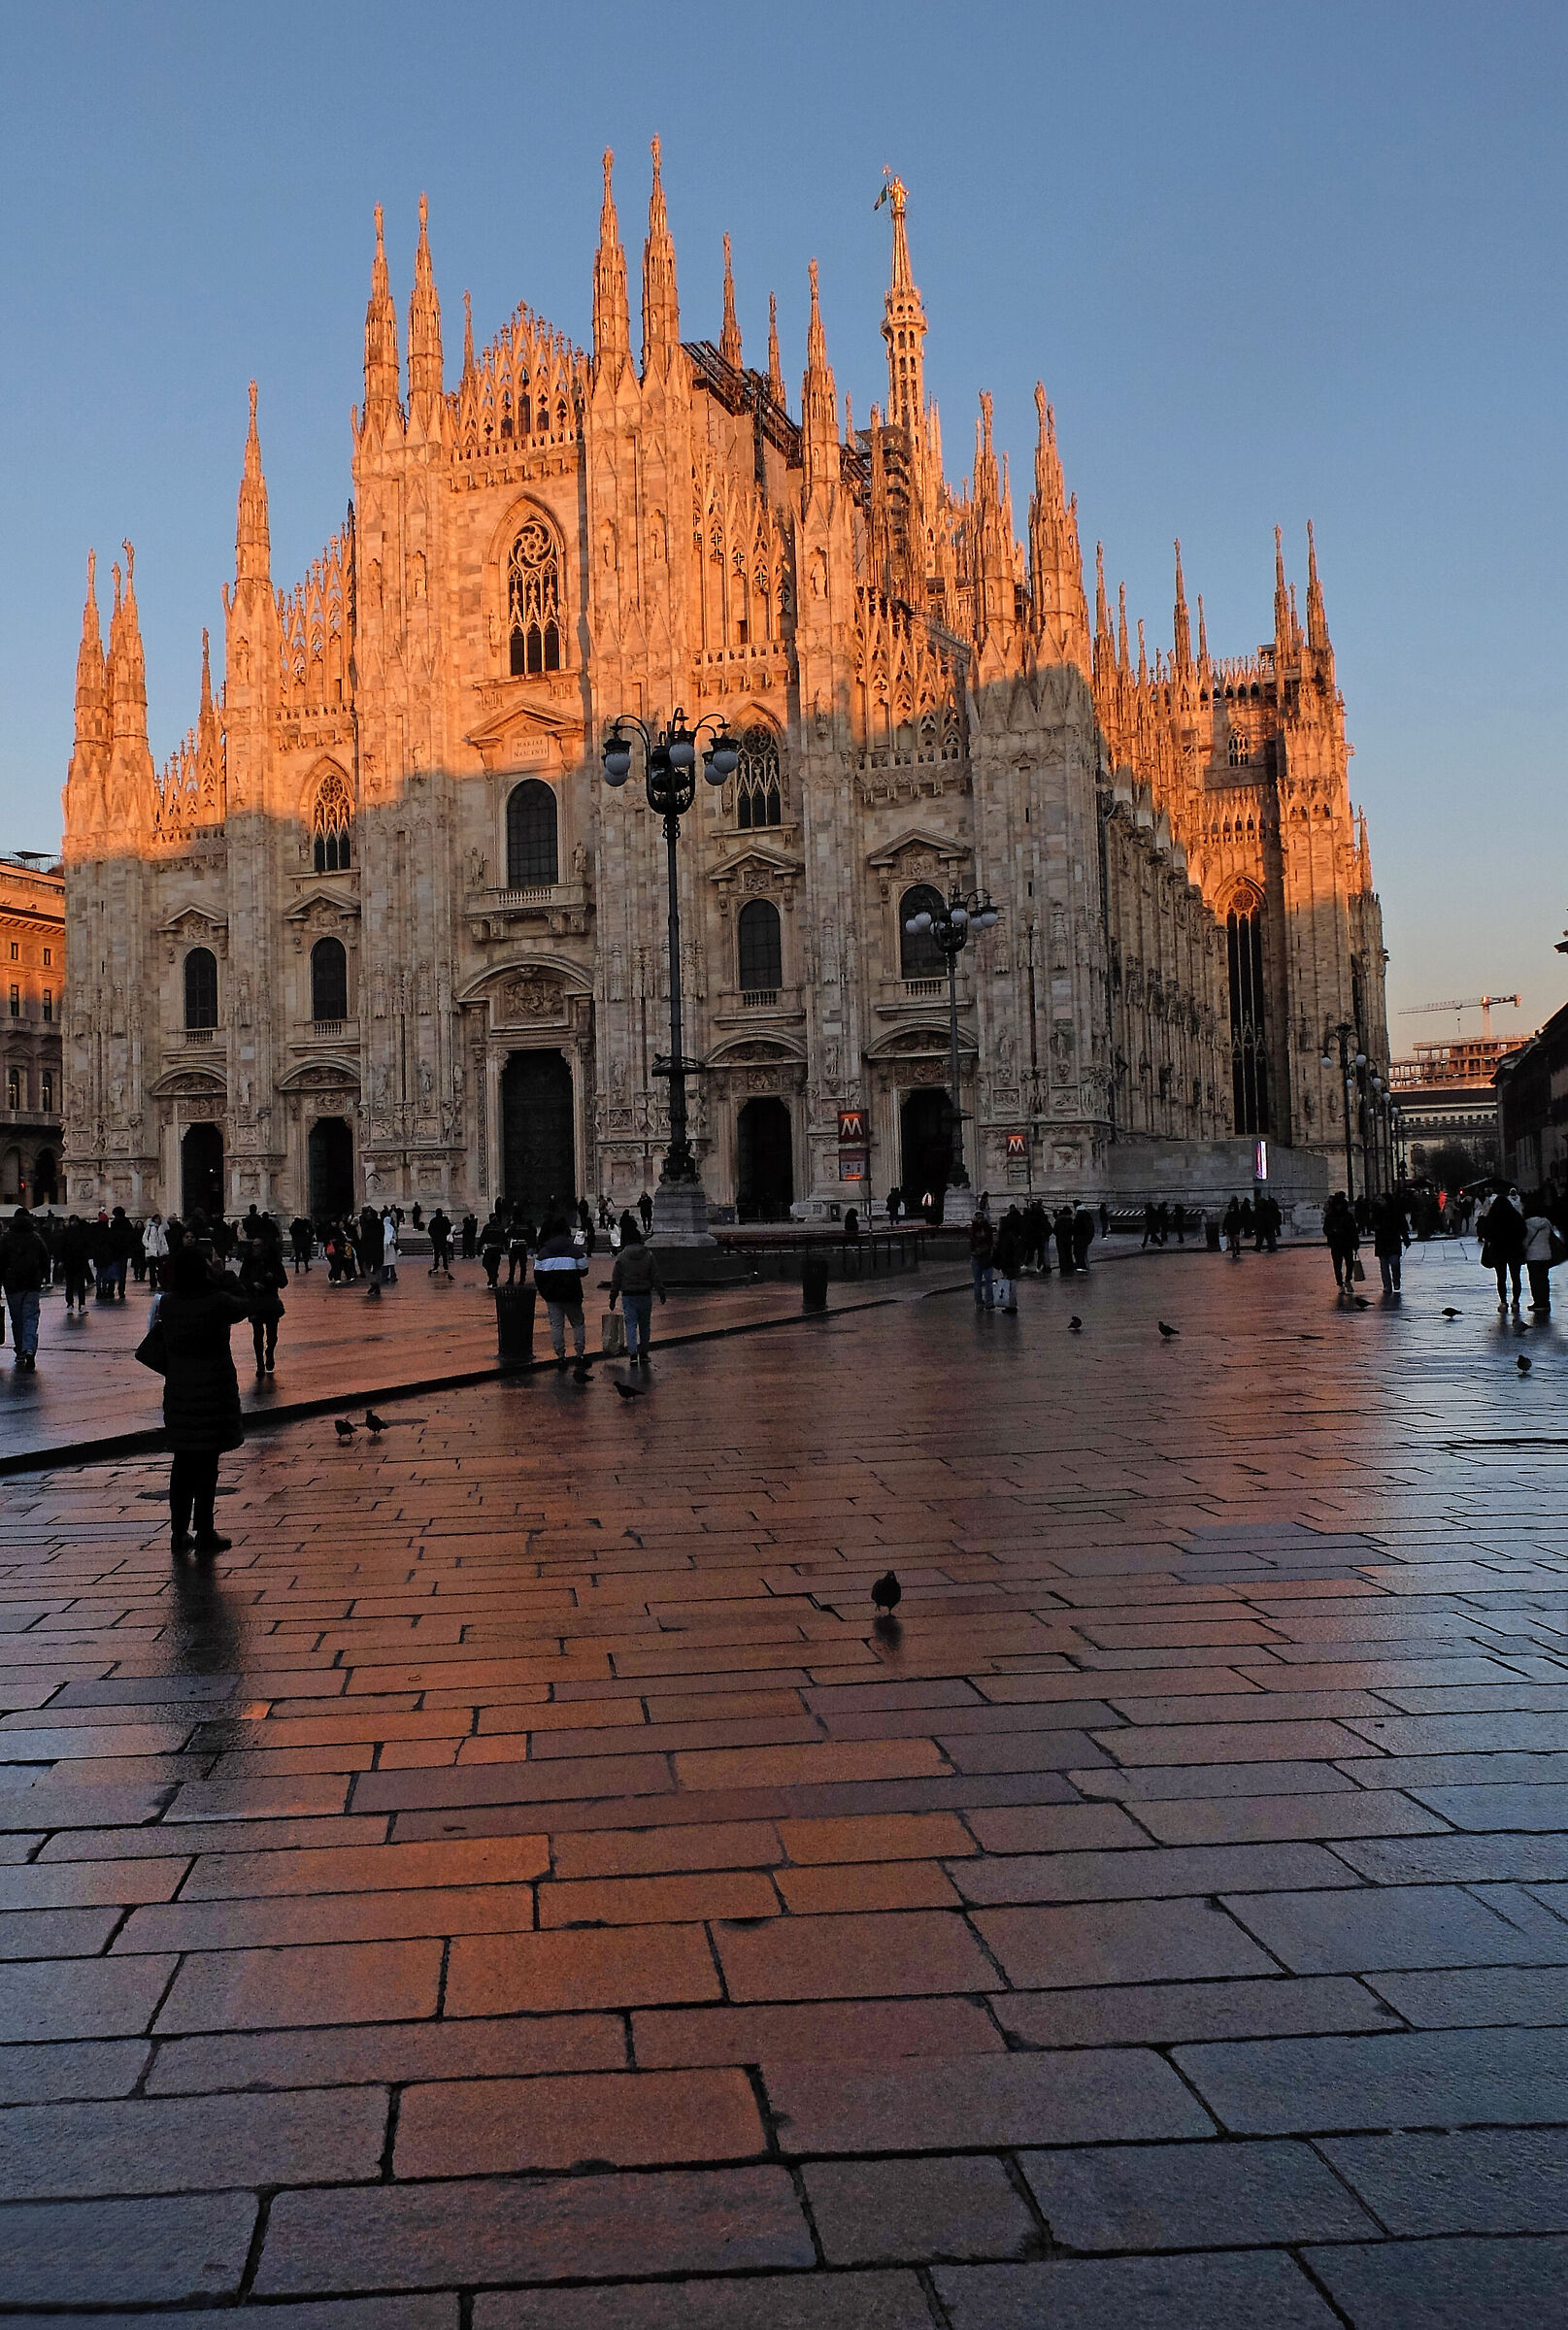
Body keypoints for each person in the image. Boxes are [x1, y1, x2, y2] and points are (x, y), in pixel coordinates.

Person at [151, 1242, 249, 1558]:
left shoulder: (168, 1303)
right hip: (213, 1393)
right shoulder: (217, 1302)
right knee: (208, 1466)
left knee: (182, 1466)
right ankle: (205, 1530)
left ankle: (178, 1533)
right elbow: (244, 1304)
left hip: (179, 1393)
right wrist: (223, 1276)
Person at [534, 1215, 590, 1373]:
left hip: (552, 1296)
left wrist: (545, 1292)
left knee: (556, 1326)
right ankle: (579, 1355)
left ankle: (560, 1357)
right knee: (577, 1323)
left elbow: (538, 1275)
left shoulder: (544, 1252)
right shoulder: (574, 1250)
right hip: (572, 1295)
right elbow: (584, 1270)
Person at [0, 1207, 50, 1373]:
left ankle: (20, 1350)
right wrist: (43, 1277)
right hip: (31, 1284)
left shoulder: (6, 1237)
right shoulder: (35, 1237)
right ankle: (29, 1348)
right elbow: (45, 1258)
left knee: (17, 1319)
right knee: (30, 1317)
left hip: (12, 1285)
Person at [609, 1221, 666, 1369]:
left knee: (630, 1325)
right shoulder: (648, 1255)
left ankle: (633, 1353)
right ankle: (644, 1353)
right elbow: (655, 1275)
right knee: (645, 1325)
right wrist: (661, 1292)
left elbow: (616, 1279)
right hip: (645, 1294)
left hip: (628, 1295)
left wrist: (613, 1298)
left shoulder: (621, 1257)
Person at [238, 1234, 287, 1375]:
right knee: (258, 1333)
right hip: (255, 1301)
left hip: (270, 1300)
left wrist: (273, 1278)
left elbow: (283, 1282)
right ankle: (260, 1363)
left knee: (272, 1335)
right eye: (254, 1246)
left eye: (258, 1246)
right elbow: (242, 1280)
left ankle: (269, 1351)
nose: (255, 1248)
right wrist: (252, 1284)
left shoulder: (274, 1262)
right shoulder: (248, 1261)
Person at [1480, 1184, 1526, 1314]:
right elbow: (1523, 1231)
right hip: (1514, 1250)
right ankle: (1515, 1302)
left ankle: (1503, 1302)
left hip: (1498, 1251)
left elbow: (1485, 1234)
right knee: (1516, 1277)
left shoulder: (1492, 1217)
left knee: (1501, 1278)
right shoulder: (1515, 1216)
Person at [1371, 1187, 1410, 1296]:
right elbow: (1371, 1224)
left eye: (1381, 1200)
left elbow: (1402, 1226)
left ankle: (1396, 1280)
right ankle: (1387, 1285)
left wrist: (1406, 1239)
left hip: (1393, 1240)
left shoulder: (1396, 1212)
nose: (1379, 1202)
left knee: (1394, 1262)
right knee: (1384, 1266)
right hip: (1382, 1241)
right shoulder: (1376, 1212)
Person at [1528, 1199, 1562, 1315]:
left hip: (1532, 1256)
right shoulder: (1547, 1223)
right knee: (1544, 1279)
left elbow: (1526, 1240)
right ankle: (1545, 1301)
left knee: (1534, 1280)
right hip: (1546, 1254)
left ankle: (1538, 1302)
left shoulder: (1528, 1224)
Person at [1322, 1190, 1359, 1294]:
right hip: (1340, 1243)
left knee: (1345, 1264)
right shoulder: (1341, 1216)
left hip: (1342, 1243)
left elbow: (1353, 1230)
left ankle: (1344, 1282)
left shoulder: (1341, 1216)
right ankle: (1343, 1282)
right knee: (1341, 1264)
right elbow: (1326, 1230)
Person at [993, 1204, 1025, 1315]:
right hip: (1012, 1264)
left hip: (1008, 1264)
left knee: (1009, 1284)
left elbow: (1005, 1252)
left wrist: (1000, 1263)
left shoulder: (1005, 1237)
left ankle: (1010, 1305)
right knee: (1011, 1284)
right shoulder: (1011, 1235)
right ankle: (1011, 1304)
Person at [59, 1214, 92, 1315]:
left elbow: (87, 1246)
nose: (74, 1223)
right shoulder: (67, 1233)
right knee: (70, 1284)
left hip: (79, 1262)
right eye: (72, 1221)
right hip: (70, 1262)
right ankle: (70, 1304)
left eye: (75, 1221)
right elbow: (62, 1248)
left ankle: (81, 1304)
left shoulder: (80, 1233)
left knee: (80, 1285)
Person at [968, 1201, 996, 1309]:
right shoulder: (987, 1228)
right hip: (986, 1257)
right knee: (988, 1281)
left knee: (978, 1281)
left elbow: (973, 1242)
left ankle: (979, 1302)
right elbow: (990, 1242)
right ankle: (988, 1301)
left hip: (976, 1256)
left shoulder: (972, 1229)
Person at [480, 1212, 505, 1289]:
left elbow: (482, 1238)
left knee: (488, 1264)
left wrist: (479, 1247)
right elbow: (504, 1238)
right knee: (493, 1265)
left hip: (491, 1249)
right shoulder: (499, 1227)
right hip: (495, 1249)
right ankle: (493, 1279)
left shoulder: (488, 1227)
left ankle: (493, 1280)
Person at [428, 1208, 453, 1278]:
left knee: (436, 1253)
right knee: (444, 1253)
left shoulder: (433, 1220)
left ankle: (436, 1266)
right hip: (442, 1239)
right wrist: (444, 1234)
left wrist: (433, 1235)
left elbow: (430, 1230)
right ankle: (445, 1266)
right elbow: (448, 1229)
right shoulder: (445, 1220)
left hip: (436, 1239)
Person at [1072, 1203, 1095, 1272]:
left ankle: (1082, 1266)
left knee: (1079, 1253)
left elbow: (1076, 1229)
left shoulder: (1079, 1218)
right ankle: (1085, 1266)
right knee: (1084, 1253)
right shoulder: (1087, 1216)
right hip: (1085, 1238)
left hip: (1080, 1238)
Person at [1053, 1204, 1076, 1276]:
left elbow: (1055, 1230)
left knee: (1061, 1254)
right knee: (1068, 1253)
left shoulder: (1058, 1220)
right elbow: (1072, 1230)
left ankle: (1063, 1268)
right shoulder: (1070, 1220)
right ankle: (1069, 1267)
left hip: (1060, 1240)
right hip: (1068, 1239)